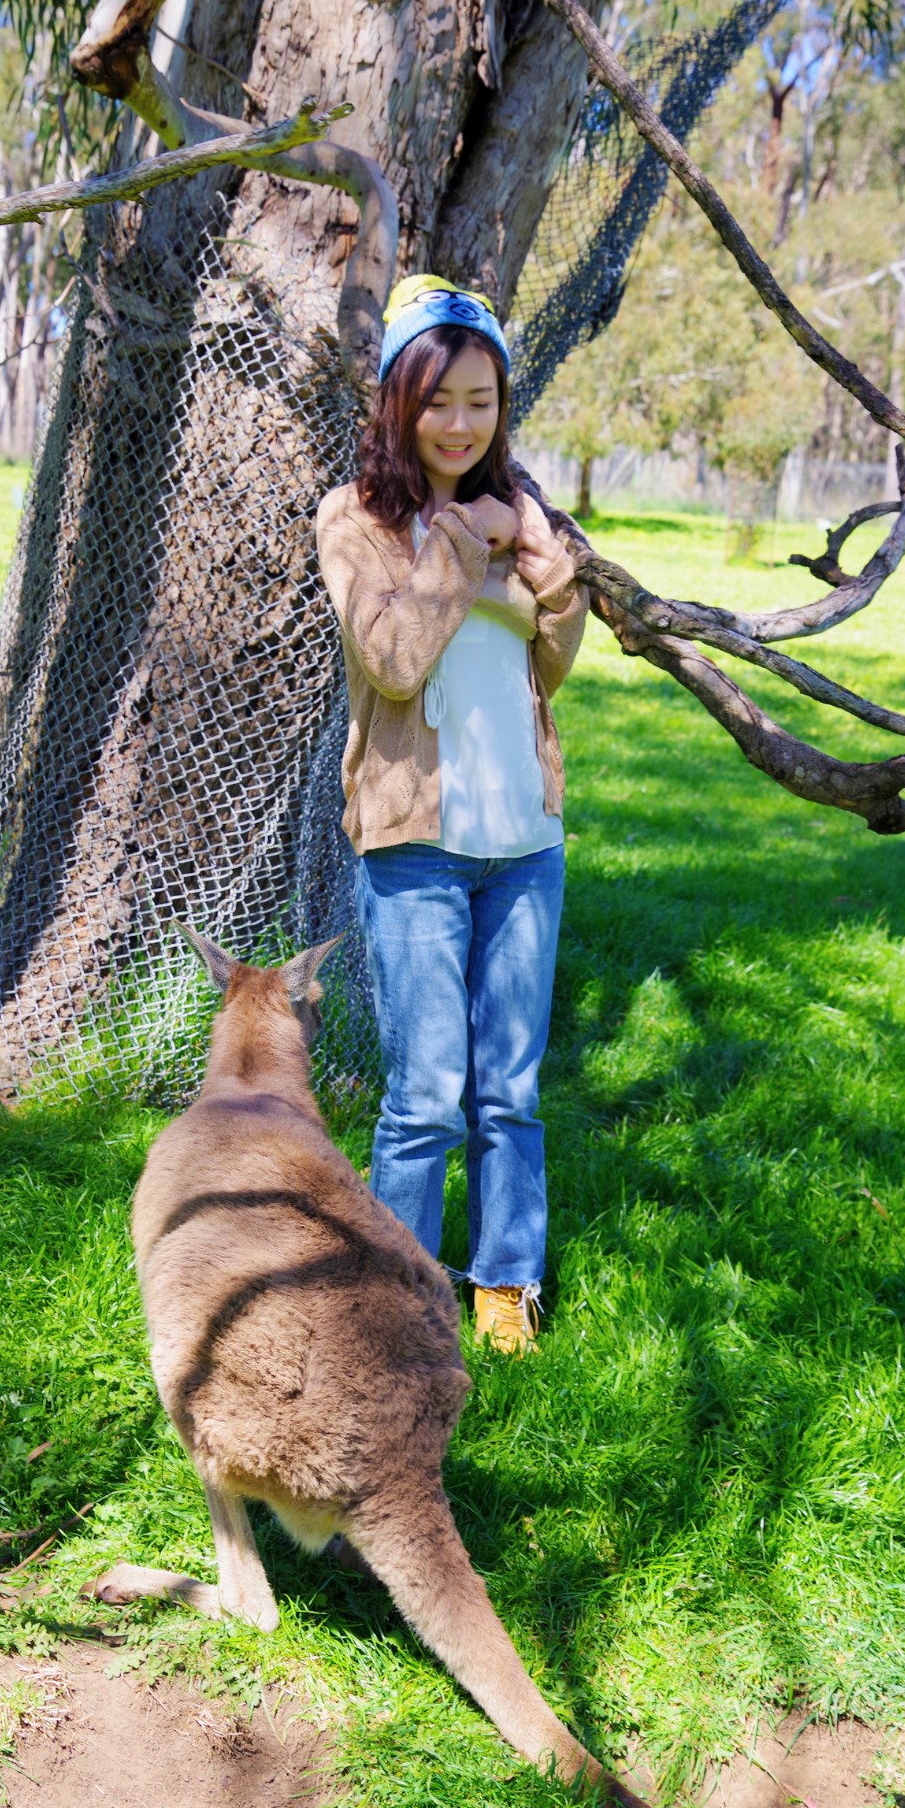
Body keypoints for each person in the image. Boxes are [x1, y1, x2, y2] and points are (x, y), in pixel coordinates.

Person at [315, 275, 588, 1354]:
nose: (460, 423)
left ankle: (504, 1281)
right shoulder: (356, 519)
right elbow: (388, 660)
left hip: (524, 840)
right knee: (427, 1089)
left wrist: (551, 590)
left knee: (509, 1088)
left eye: (480, 400)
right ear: (397, 400)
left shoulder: (522, 509)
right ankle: (402, 1293)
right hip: (415, 842)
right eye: (438, 401)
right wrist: (471, 554)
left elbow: (551, 666)